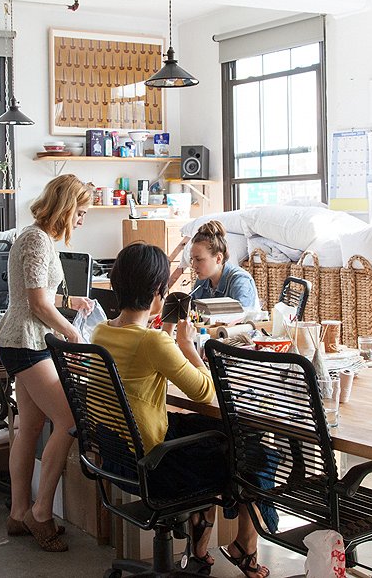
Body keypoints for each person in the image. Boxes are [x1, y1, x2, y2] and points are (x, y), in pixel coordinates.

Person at [93, 242, 270, 578]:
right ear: (159, 290)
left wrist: (169, 334)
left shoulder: (101, 332)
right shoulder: (152, 342)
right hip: (155, 464)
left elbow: (143, 357)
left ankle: (201, 546)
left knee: (215, 430)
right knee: (250, 450)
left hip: (117, 454)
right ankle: (245, 545)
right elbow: (205, 391)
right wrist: (186, 345)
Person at [0, 173, 94, 552]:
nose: (82, 221)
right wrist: (72, 332)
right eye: (80, 212)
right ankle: (40, 513)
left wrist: (70, 304)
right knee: (68, 421)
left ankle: (19, 514)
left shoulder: (39, 239)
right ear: (65, 208)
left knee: (30, 426)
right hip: (28, 343)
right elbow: (35, 304)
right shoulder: (35, 240)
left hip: (25, 340)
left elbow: (40, 295)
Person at [190, 220, 258, 309]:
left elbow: (241, 319)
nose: (193, 265)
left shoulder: (240, 281)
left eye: (199, 259)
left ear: (218, 258)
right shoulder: (201, 282)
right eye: (192, 259)